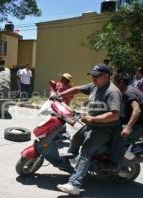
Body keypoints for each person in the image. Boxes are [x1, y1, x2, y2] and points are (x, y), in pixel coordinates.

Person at [56, 63, 121, 195]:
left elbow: (115, 115)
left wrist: (93, 119)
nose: (93, 79)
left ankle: (75, 184)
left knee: (86, 152)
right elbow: (78, 89)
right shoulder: (95, 86)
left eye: (96, 76)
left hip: (103, 129)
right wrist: (60, 94)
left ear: (107, 76)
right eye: (92, 76)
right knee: (75, 140)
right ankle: (76, 167)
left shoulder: (112, 91)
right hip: (91, 125)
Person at [110, 73, 143, 164]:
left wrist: (128, 127)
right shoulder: (124, 91)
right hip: (135, 123)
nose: (113, 85)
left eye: (114, 83)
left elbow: (137, 110)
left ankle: (114, 162)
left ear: (120, 82)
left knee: (119, 132)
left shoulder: (129, 92)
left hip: (139, 126)